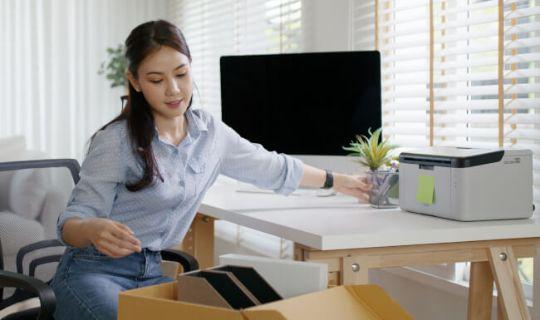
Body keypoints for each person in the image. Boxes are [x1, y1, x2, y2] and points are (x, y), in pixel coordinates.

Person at [49, 19, 371, 320]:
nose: (173, 89)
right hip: (93, 273)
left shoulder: (211, 136)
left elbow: (272, 167)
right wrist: (92, 229)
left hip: (152, 273)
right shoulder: (116, 142)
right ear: (134, 81)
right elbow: (69, 223)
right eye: (156, 80)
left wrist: (338, 180)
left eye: (181, 73)